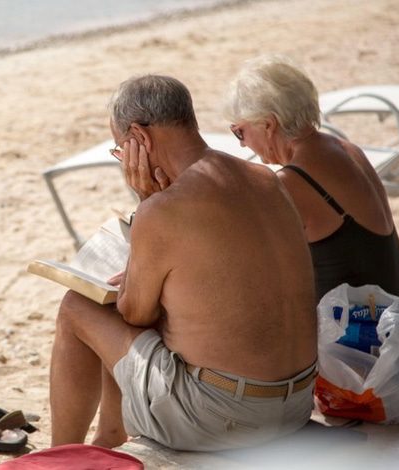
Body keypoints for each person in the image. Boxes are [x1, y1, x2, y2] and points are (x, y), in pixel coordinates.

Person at [49, 74, 317, 452]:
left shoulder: (163, 209)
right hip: (297, 403)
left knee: (78, 306)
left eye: (120, 149)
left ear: (139, 139)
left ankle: (59, 457)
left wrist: (146, 205)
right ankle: (108, 437)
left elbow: (134, 315)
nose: (123, 160)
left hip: (224, 420)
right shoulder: (266, 179)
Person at [224, 55, 399, 304]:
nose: (242, 143)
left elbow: (247, 267)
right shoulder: (348, 149)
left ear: (268, 125)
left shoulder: (292, 183)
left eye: (240, 131)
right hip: (398, 322)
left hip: (360, 337)